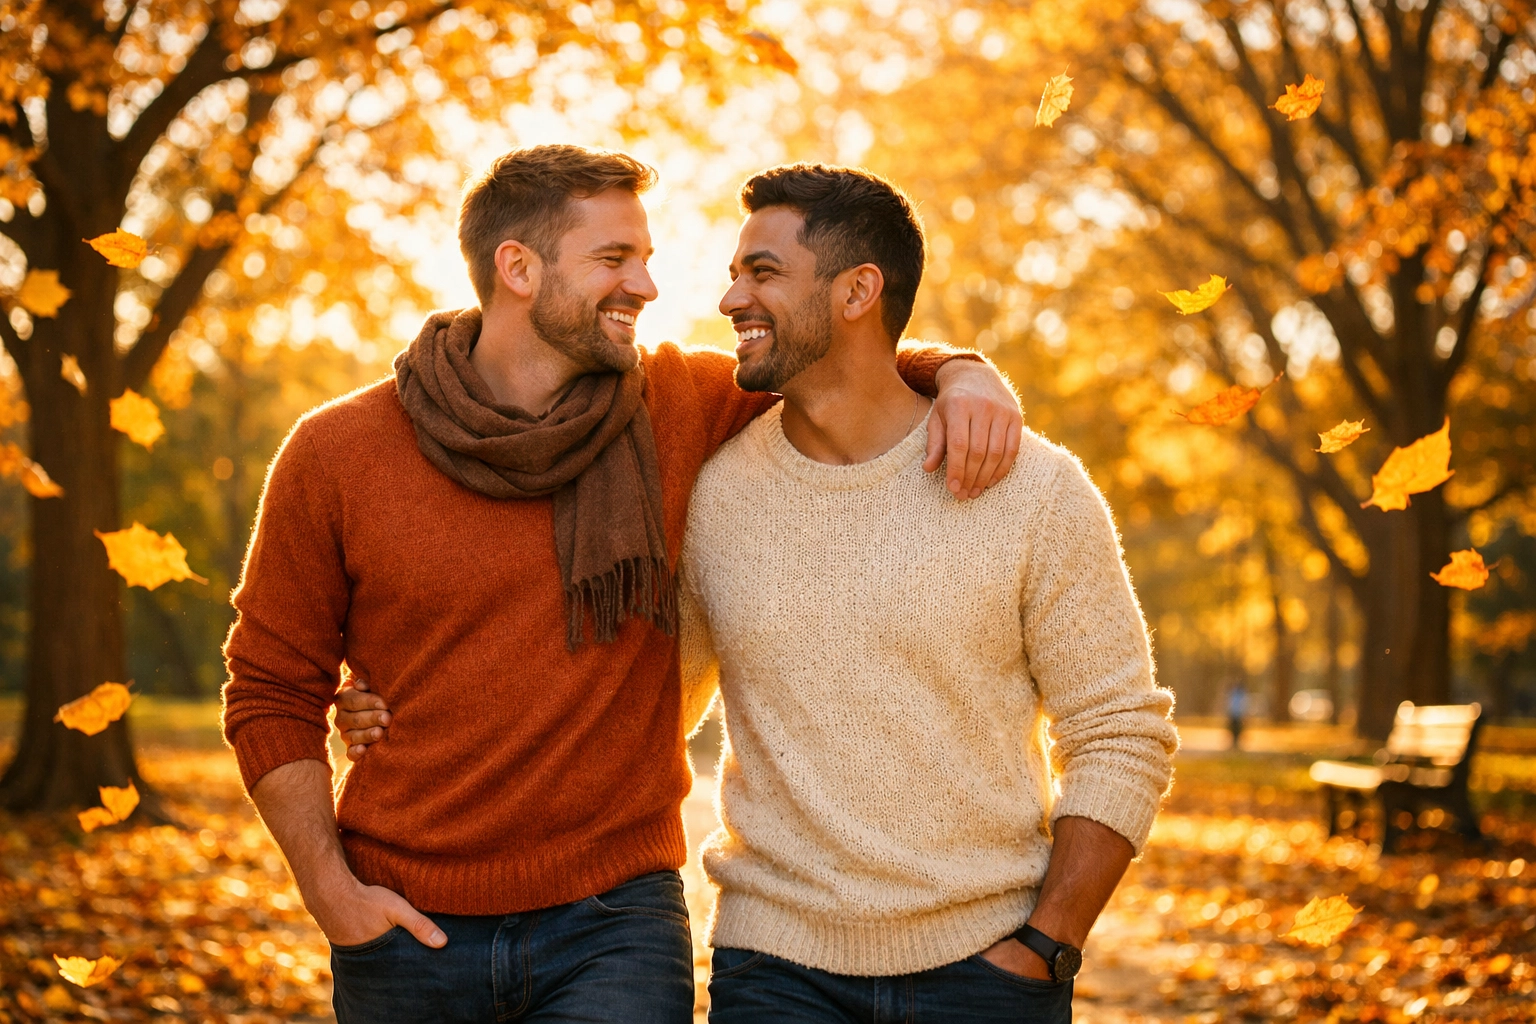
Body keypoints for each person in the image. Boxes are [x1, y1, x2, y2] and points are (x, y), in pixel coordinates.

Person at [343, 163, 1179, 1023]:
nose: (729, 298)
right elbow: (635, 700)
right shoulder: (714, 487)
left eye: (763, 273)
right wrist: (416, 711)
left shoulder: (1032, 488)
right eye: (735, 272)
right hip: (776, 971)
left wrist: (1047, 944)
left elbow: (1121, 732)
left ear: (858, 291)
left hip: (990, 973)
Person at [221, 145, 1022, 1024]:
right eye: (614, 259)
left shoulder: (679, 401)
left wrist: (961, 371)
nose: (645, 285)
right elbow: (269, 688)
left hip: (615, 923)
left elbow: (838, 365)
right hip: (406, 928)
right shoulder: (337, 452)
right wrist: (331, 892)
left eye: (644, 258)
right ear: (518, 268)